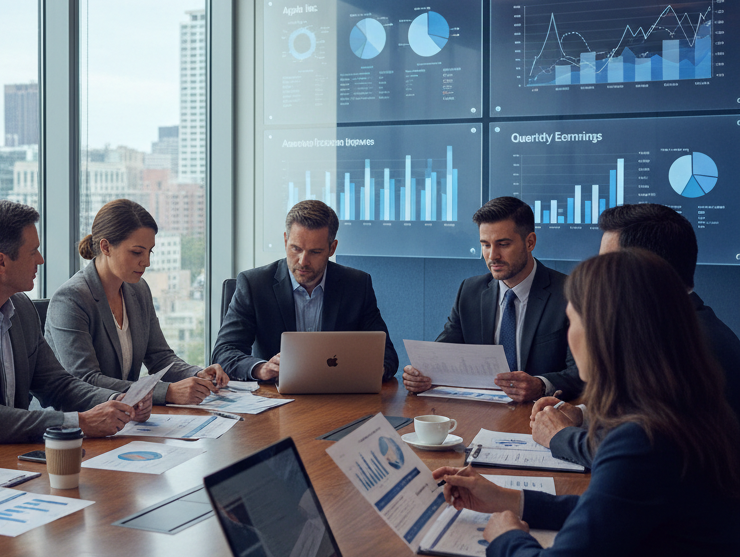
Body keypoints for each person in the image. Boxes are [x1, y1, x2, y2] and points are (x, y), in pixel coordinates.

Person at [435, 250, 740, 557]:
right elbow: (624, 516)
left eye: (573, 321)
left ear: (603, 333)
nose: (571, 338)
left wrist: (505, 535)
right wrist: (512, 499)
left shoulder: (640, 438)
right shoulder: (692, 414)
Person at [0, 200, 142, 448]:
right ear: (1, 263)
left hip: (9, 455)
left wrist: (117, 400)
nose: (40, 260)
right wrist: (79, 422)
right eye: (33, 252)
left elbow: (58, 385)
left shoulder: (22, 309)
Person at [531, 203, 740, 467]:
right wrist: (583, 416)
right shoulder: (683, 325)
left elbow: (641, 453)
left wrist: (559, 436)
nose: (601, 278)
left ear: (643, 269)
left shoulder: (685, 347)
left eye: (609, 266)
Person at [46, 199, 229, 405]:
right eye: (136, 252)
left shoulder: (138, 289)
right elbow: (86, 380)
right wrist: (166, 392)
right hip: (76, 422)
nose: (147, 262)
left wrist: (197, 374)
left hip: (126, 416)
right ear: (105, 247)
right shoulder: (71, 299)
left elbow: (160, 357)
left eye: (149, 251)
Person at [402, 197, 581, 402]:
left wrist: (541, 385)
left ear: (530, 242)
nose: (492, 256)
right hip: (480, 413)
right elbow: (442, 356)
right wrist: (421, 375)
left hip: (541, 413)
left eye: (503, 244)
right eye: (485, 245)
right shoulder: (470, 291)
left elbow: (582, 373)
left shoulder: (569, 293)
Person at [211, 200, 398, 382]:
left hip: (339, 397)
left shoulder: (356, 285)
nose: (302, 261)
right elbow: (224, 352)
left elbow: (386, 355)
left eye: (315, 252)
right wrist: (262, 368)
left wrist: (369, 370)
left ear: (332, 248)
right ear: (285, 240)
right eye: (296, 249)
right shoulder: (254, 285)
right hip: (274, 400)